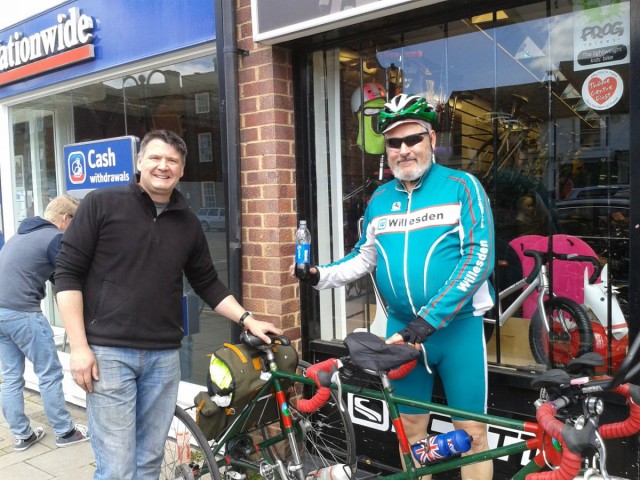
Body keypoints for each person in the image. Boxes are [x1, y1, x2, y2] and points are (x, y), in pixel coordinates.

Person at [54, 129, 282, 480]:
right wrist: (79, 347)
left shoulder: (188, 223)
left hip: (163, 358)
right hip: (109, 355)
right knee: (116, 467)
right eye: (156, 158)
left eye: (172, 161)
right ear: (140, 162)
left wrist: (247, 319)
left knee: (147, 463)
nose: (163, 166)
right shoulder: (102, 204)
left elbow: (207, 281)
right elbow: (67, 275)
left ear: (181, 169)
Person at [294, 94, 495, 480]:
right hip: (400, 335)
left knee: (472, 434)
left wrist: (428, 322)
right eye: (393, 142)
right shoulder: (380, 200)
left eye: (412, 139)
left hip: (456, 331)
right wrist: (320, 275)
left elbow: (479, 259)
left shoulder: (462, 186)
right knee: (411, 434)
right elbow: (363, 255)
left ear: (431, 139)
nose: (403, 150)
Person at [0, 194, 90, 452]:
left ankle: (22, 435)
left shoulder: (20, 235)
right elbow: (67, 277)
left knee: (11, 377)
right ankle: (65, 431)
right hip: (23, 314)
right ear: (66, 219)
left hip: (1, 314)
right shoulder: (55, 238)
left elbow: (51, 274)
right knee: (49, 373)